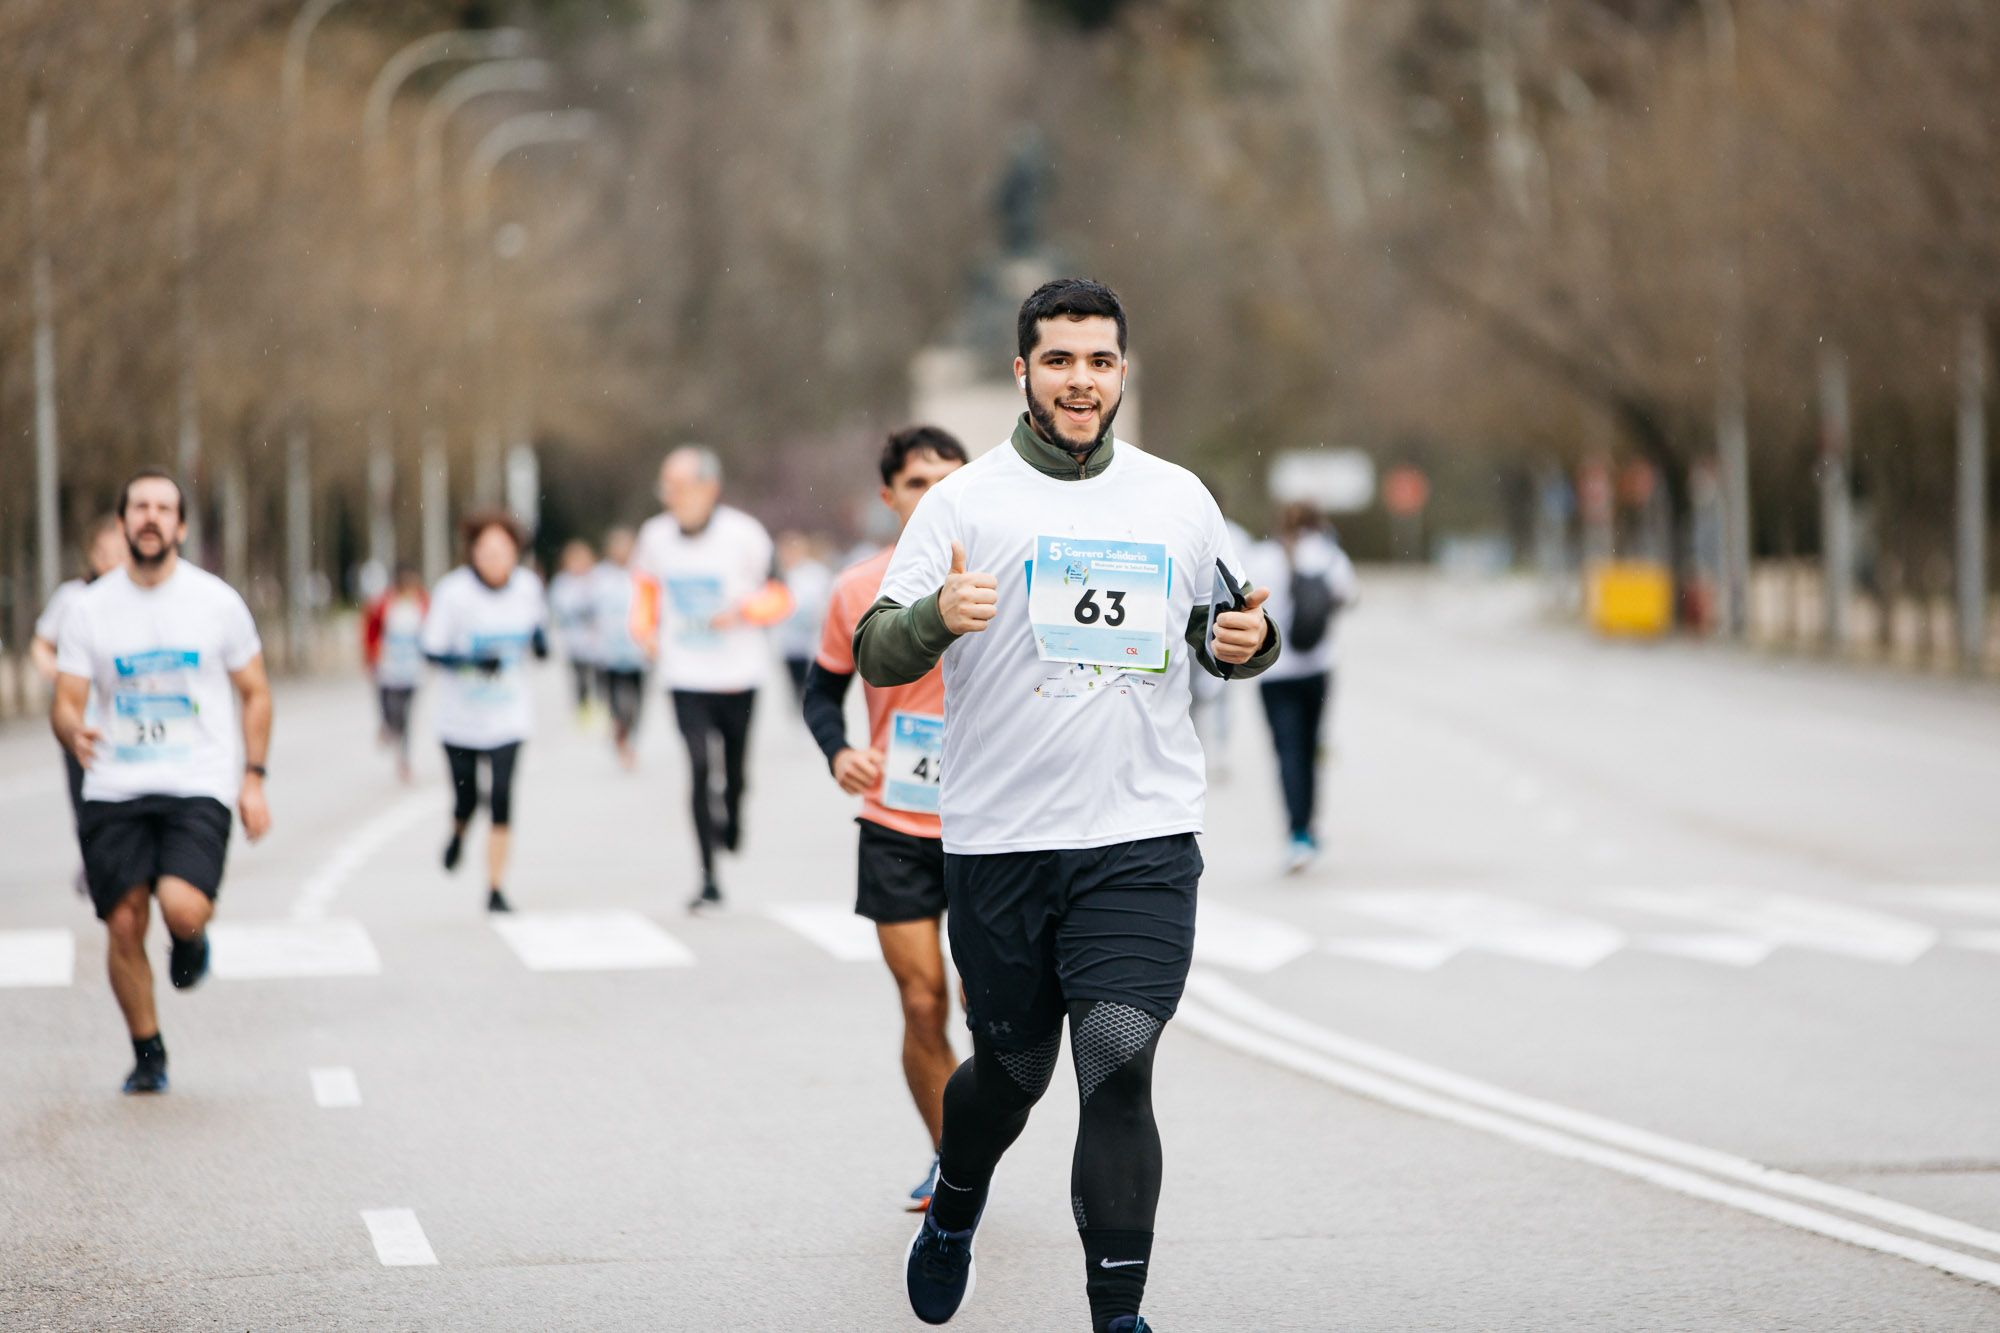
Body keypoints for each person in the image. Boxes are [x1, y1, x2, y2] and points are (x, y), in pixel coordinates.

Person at [858, 279, 1281, 1333]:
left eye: (1098, 361)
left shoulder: (1175, 496)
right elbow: (875, 641)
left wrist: (1244, 647)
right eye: (1058, 361)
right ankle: (954, 1206)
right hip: (1001, 841)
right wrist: (937, 618)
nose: (1080, 380)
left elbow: (1221, 631)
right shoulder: (964, 504)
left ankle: (1117, 1314)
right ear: (1022, 372)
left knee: (1118, 1060)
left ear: (1121, 372)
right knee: (1008, 1073)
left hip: (1138, 839)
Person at [50, 469, 273, 1095]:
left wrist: (252, 779)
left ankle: (190, 939)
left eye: (163, 508)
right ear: (123, 523)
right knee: (122, 922)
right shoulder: (88, 610)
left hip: (197, 780)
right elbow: (66, 700)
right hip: (115, 784)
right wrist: (73, 729)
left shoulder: (216, 602)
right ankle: (148, 1053)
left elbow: (255, 692)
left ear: (180, 525)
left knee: (181, 904)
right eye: (139, 507)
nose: (150, 517)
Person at [802, 426, 970, 1212]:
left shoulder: (1004, 578)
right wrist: (840, 752)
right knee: (920, 1000)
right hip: (896, 819)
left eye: (949, 479)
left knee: (992, 1008)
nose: (934, 495)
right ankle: (949, 1159)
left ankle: (980, 1132)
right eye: (917, 483)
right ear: (889, 496)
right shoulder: (856, 587)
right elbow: (819, 690)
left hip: (991, 826)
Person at [632, 445, 790, 912]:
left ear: (710, 488)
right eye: (668, 487)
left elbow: (781, 596)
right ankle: (708, 877)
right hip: (685, 674)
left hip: (740, 674)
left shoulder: (745, 535)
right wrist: (644, 631)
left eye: (681, 486)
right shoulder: (654, 537)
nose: (672, 495)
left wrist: (744, 610)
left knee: (734, 773)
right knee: (699, 767)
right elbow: (644, 593)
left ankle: (736, 811)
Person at [422, 511, 549, 914]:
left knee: (501, 796)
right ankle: (458, 832)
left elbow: (537, 631)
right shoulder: (453, 593)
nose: (495, 559)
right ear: (473, 553)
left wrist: (542, 643)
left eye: (503, 551)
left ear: (515, 553)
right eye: (487, 552)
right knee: (467, 800)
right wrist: (470, 663)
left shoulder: (528, 588)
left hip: (508, 716)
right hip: (459, 719)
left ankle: (495, 888)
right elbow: (432, 649)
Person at [1247, 504, 1358, 873]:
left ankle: (1297, 833)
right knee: (1311, 749)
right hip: (1318, 670)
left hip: (1274, 674)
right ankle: (1309, 828)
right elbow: (1349, 596)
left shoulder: (1262, 557)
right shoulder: (1328, 555)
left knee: (1288, 753)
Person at [33, 515, 129, 834]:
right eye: (103, 553)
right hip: (81, 719)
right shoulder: (73, 598)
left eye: (118, 554)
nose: (110, 561)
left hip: (126, 722)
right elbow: (42, 642)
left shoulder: (140, 597)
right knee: (85, 798)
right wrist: (51, 667)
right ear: (91, 554)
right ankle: (92, 854)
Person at [592, 527, 656, 769]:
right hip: (608, 653)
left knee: (637, 703)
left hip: (638, 652)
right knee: (617, 703)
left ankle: (631, 740)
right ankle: (620, 737)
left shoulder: (643, 575)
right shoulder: (598, 577)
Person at [361, 565, 428, 782]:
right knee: (390, 710)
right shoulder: (384, 605)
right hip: (388, 669)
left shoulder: (423, 604)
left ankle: (404, 760)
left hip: (413, 671)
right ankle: (387, 727)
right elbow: (371, 630)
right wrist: (371, 656)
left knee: (406, 717)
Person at [776, 531, 833, 706]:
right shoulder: (780, 575)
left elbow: (826, 602)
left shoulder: (816, 574)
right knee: (794, 685)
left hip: (812, 642)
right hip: (789, 644)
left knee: (810, 684)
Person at [547, 538, 600, 725]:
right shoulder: (562, 584)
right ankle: (583, 710)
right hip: (574, 643)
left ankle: (600, 708)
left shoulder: (597, 579)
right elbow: (558, 609)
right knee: (580, 679)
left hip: (598, 643)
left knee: (598, 678)